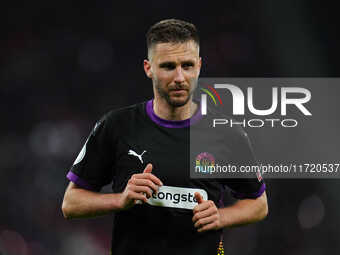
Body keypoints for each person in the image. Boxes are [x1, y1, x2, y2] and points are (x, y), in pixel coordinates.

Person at [62, 19, 268, 255]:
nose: (180, 77)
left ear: (199, 66)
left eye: (188, 66)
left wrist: (221, 216)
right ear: (148, 68)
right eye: (169, 66)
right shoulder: (117, 126)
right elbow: (71, 203)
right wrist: (120, 200)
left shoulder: (227, 133)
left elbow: (258, 204)